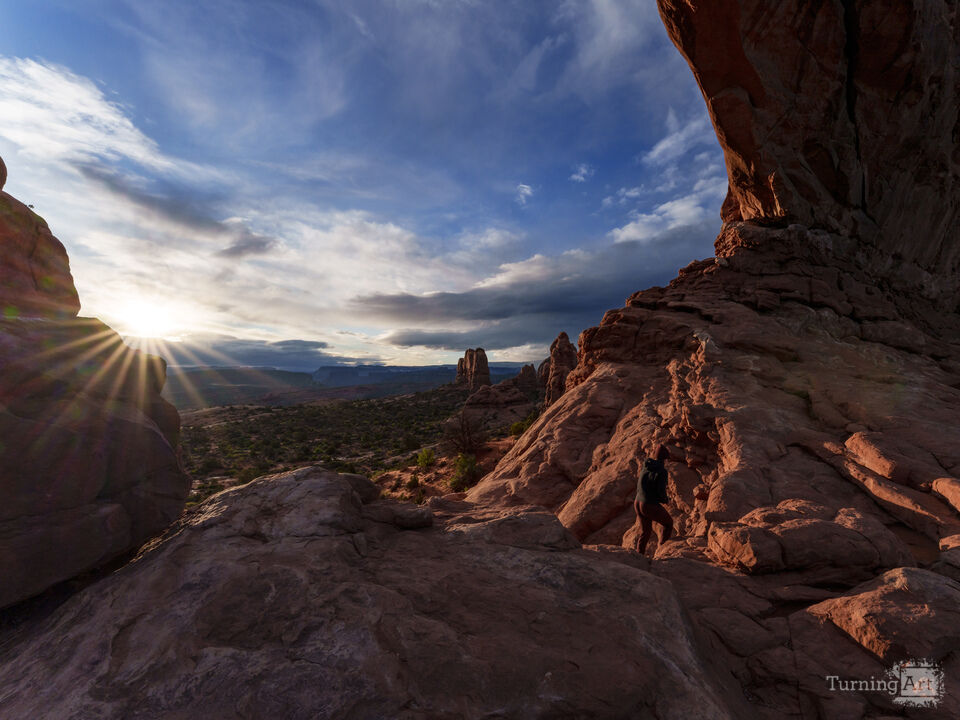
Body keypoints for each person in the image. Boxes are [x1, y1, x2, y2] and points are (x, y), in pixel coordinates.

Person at [634, 444, 673, 555]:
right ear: (664, 459)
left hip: (637, 502)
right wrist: (666, 500)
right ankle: (662, 551)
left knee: (645, 532)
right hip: (648, 504)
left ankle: (639, 555)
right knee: (668, 524)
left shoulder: (646, 465)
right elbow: (661, 490)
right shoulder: (662, 471)